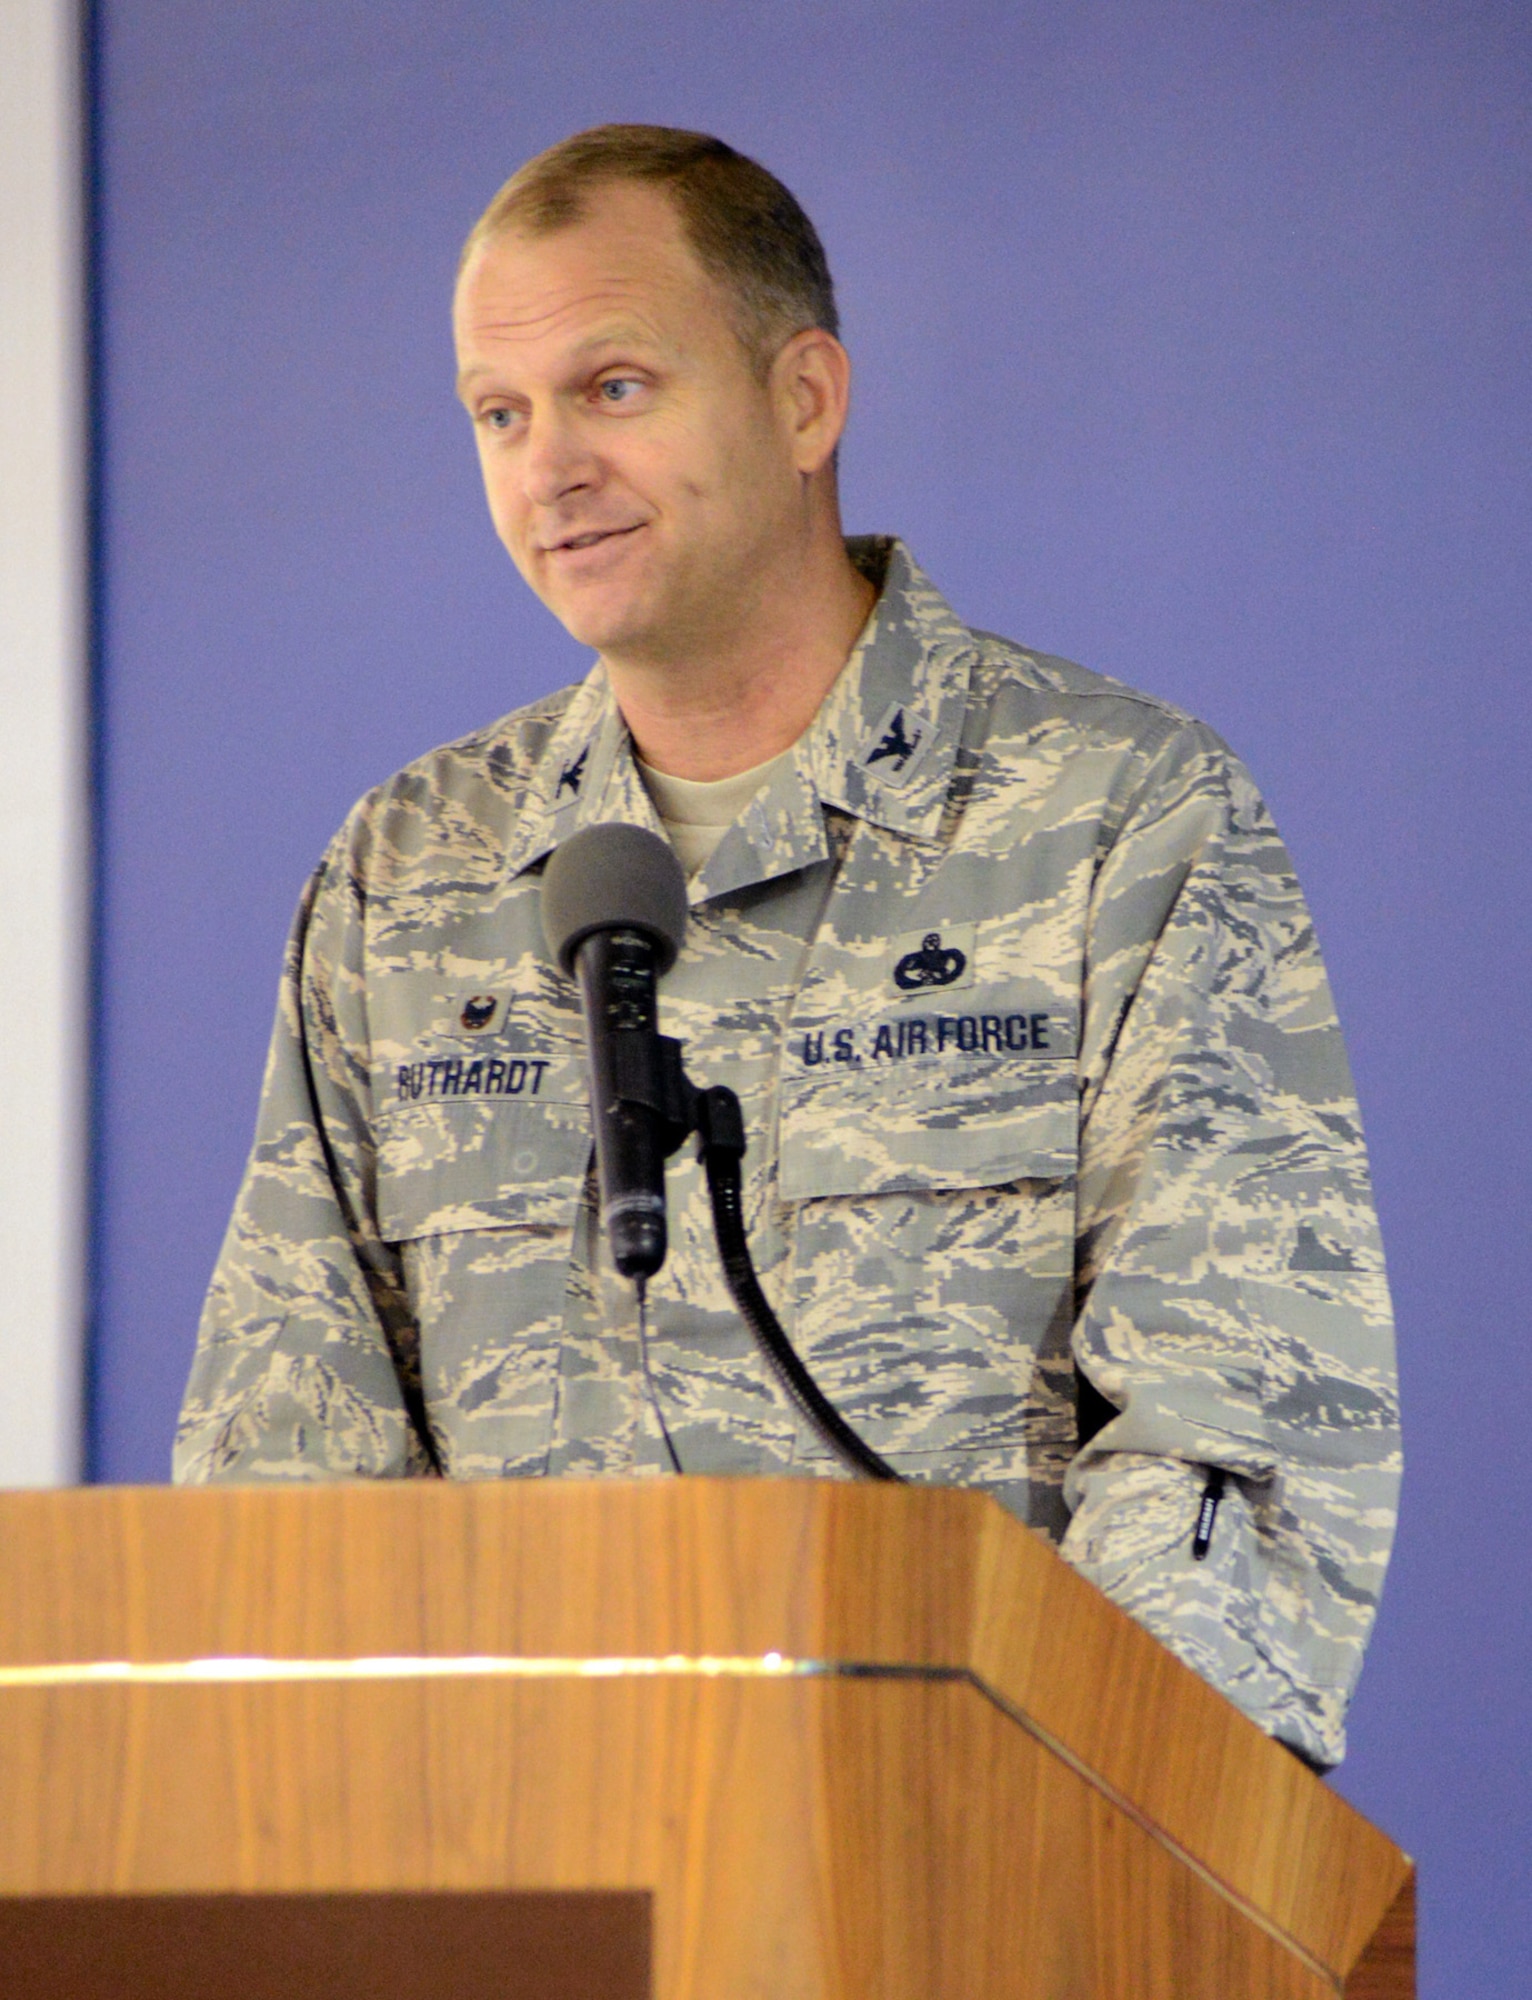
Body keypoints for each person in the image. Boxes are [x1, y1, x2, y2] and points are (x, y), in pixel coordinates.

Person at [174, 125, 1400, 1771]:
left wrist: (1053, 1816)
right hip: (521, 1849)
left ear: (805, 401)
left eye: (614, 387)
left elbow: (1230, 1430)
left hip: (973, 1841)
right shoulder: (406, 877)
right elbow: (287, 1466)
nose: (549, 468)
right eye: (499, 413)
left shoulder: (1117, 814)